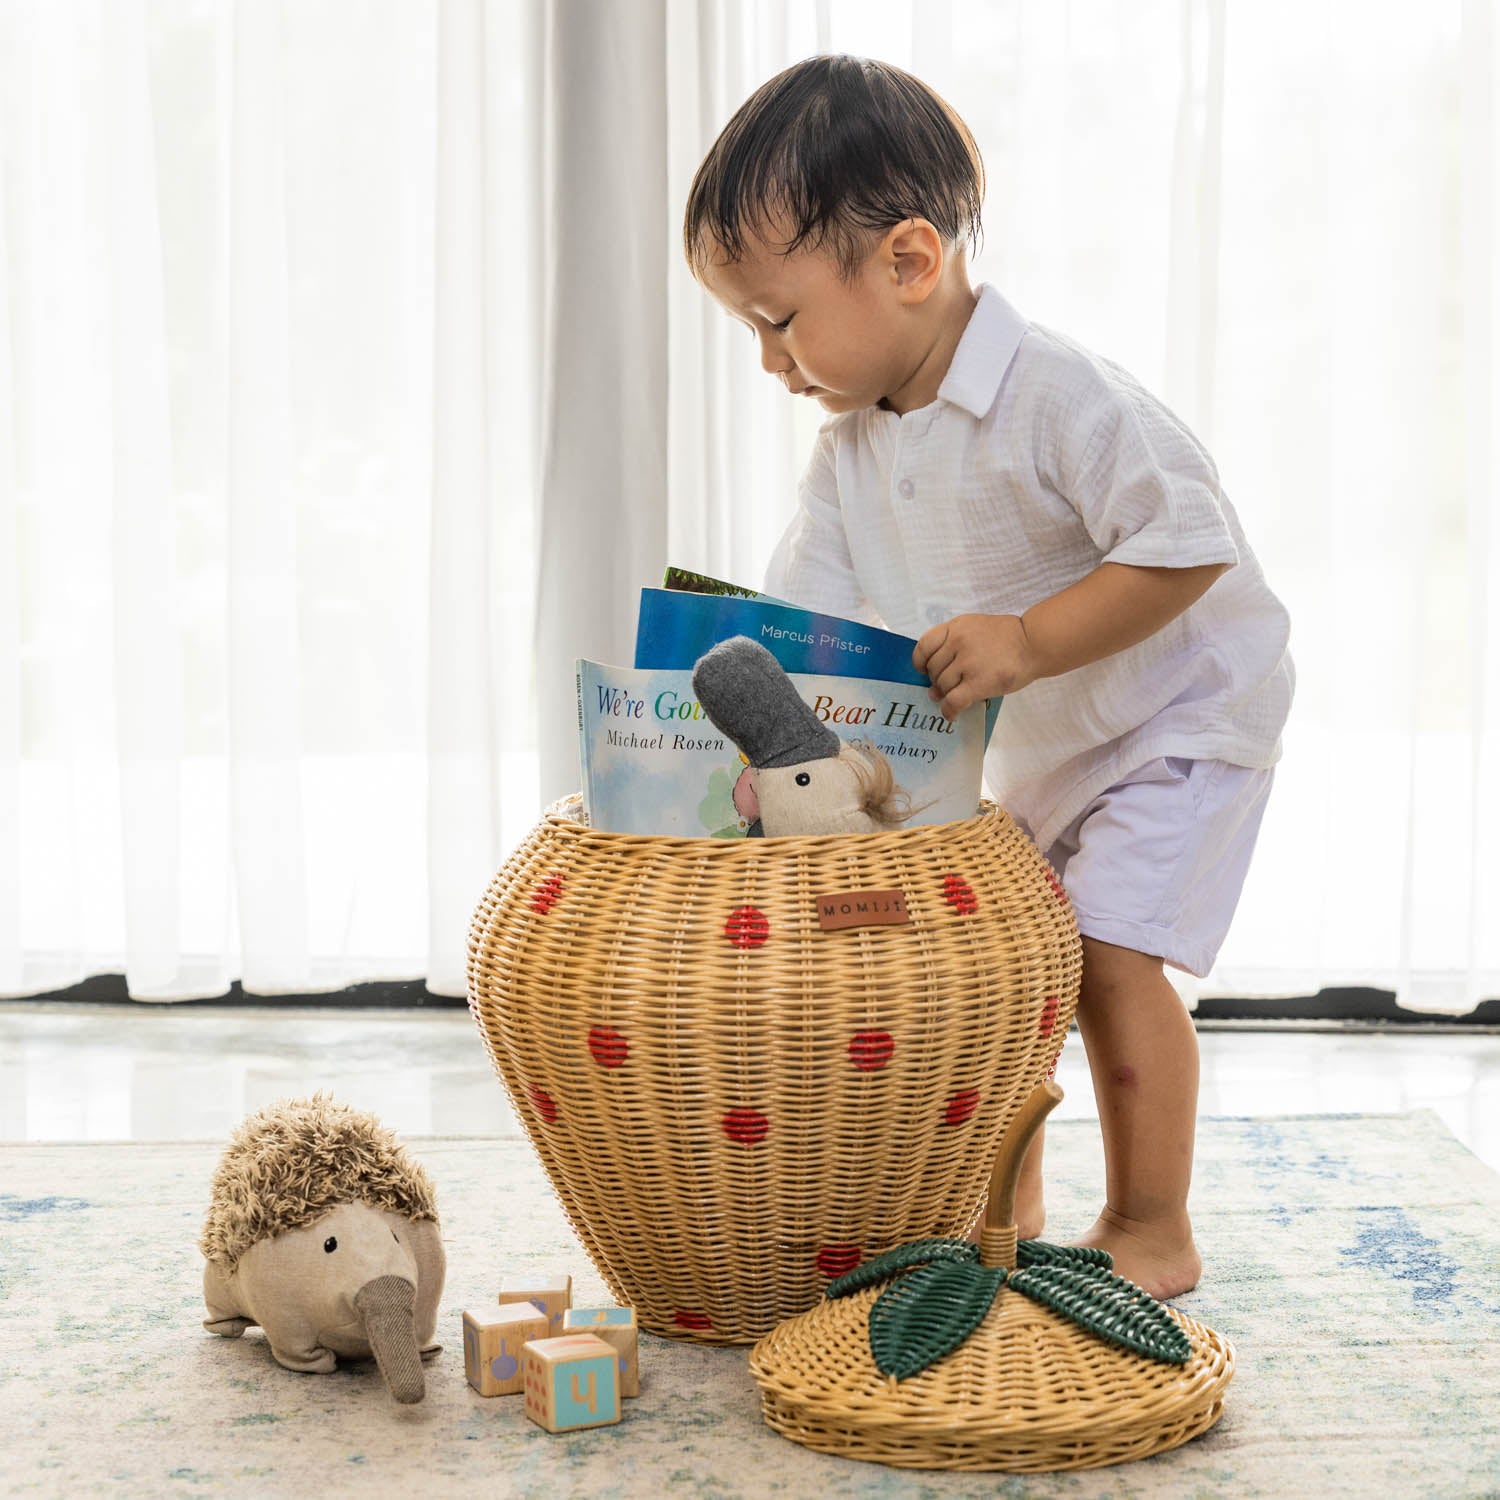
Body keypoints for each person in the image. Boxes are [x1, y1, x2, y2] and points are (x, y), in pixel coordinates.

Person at [683, 54, 1294, 1299]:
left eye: (780, 321)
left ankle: (1150, 1223)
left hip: (1181, 711)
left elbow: (1187, 544)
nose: (769, 362)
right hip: (1047, 746)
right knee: (1007, 963)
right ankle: (1002, 1211)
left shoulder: (1060, 393)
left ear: (910, 263)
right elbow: (806, 617)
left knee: (1112, 959)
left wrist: (1023, 638)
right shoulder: (850, 450)